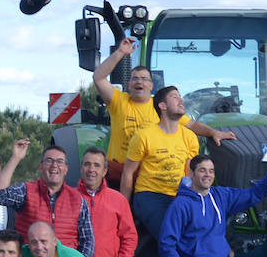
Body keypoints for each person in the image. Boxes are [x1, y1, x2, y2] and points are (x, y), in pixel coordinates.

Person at [93, 38, 233, 186]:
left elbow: (191, 124)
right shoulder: (118, 101)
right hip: (119, 173)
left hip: (150, 177)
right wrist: (121, 52)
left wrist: (213, 133)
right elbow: (98, 77)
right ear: (129, 84)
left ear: (151, 85)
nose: (139, 82)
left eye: (144, 79)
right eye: (135, 79)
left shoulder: (161, 106)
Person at [0, 141, 95, 257]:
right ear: (41, 166)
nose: (54, 165)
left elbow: (88, 241)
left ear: (66, 169)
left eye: (60, 161)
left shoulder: (78, 200)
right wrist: (15, 158)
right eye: (49, 160)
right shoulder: (26, 191)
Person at [123, 86, 200, 238]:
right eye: (175, 97)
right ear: (162, 106)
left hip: (179, 195)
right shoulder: (143, 136)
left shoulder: (190, 137)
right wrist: (123, 209)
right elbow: (128, 172)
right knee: (170, 234)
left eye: (180, 97)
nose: (181, 100)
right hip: (150, 195)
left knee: (194, 231)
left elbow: (189, 173)